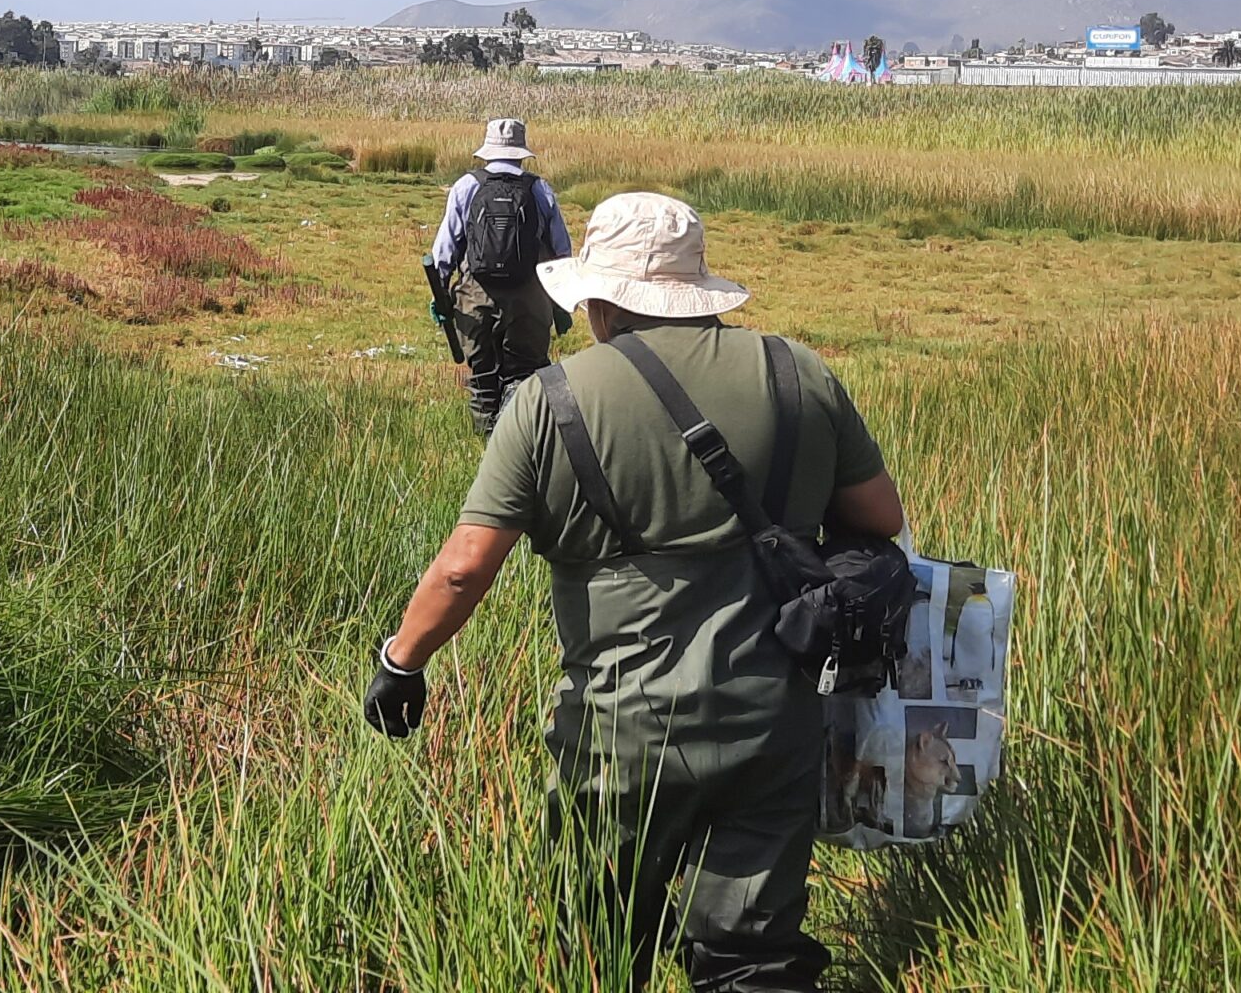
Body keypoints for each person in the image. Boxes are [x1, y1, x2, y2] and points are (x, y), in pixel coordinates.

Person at [366, 192, 908, 992]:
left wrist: (401, 662)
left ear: (599, 300)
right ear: (697, 291)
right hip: (777, 719)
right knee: (753, 959)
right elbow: (881, 518)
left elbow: (463, 567)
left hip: (621, 731)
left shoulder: (550, 401)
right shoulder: (799, 374)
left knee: (599, 945)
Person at [431, 117, 571, 434]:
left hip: (474, 298)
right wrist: (561, 304)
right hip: (530, 299)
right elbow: (561, 250)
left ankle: (484, 449)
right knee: (524, 374)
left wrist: (440, 296)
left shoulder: (466, 186)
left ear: (488, 151)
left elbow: (445, 250)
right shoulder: (539, 189)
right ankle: (517, 447)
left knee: (482, 377)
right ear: (522, 153)